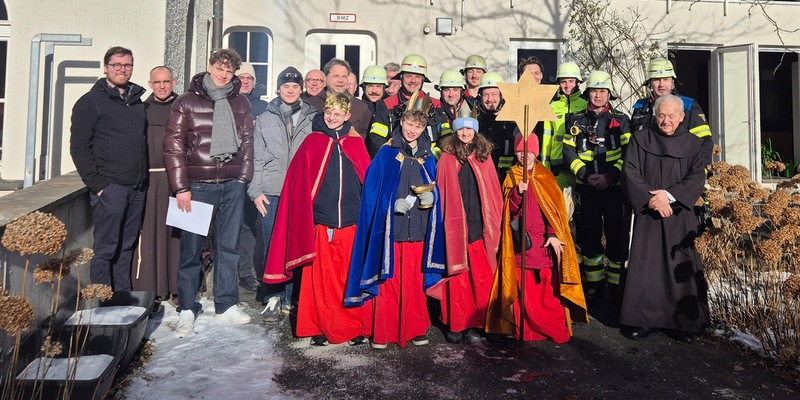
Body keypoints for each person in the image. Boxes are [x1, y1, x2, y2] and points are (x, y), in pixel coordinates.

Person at [263, 92, 370, 346]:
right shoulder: (313, 142)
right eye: (328, 113)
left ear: (347, 116)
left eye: (338, 114)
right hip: (323, 222)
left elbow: (367, 180)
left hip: (352, 222)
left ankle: (352, 326)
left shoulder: (355, 144)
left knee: (348, 276)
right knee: (320, 279)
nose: (332, 118)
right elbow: (298, 187)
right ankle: (319, 326)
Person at [164, 48, 254, 336]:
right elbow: (174, 146)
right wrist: (181, 188)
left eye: (228, 70)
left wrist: (242, 178)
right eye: (219, 67)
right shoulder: (186, 102)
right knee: (191, 249)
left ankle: (226, 304)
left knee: (228, 247)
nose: (223, 73)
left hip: (231, 186)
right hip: (196, 186)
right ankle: (187, 307)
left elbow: (248, 143)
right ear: (210, 66)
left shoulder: (240, 102)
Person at [345, 109, 445, 349]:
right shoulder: (387, 153)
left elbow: (435, 185)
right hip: (392, 228)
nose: (412, 130)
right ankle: (384, 331)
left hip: (418, 228)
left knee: (413, 281)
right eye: (409, 124)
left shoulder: (428, 155)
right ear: (401, 123)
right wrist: (391, 204)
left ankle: (415, 328)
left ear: (424, 130)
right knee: (389, 281)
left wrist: (432, 198)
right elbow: (372, 191)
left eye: (418, 127)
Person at [619, 94, 709, 344]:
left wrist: (668, 196)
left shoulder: (693, 144)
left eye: (671, 116)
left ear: (682, 117)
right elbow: (630, 171)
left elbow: (696, 178)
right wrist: (651, 200)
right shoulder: (640, 139)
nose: (666, 121)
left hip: (678, 213)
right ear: (654, 116)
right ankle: (641, 319)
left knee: (678, 262)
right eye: (661, 115)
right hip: (648, 212)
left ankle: (680, 322)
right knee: (646, 265)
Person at [486, 134, 588, 343]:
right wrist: (516, 193)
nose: (524, 155)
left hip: (542, 245)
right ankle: (525, 326)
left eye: (529, 151)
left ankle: (547, 326)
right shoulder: (512, 176)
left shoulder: (545, 176)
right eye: (520, 151)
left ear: (536, 152)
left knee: (545, 291)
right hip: (520, 245)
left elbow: (554, 213)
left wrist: (552, 235)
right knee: (524, 290)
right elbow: (508, 213)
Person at [70, 46, 147, 292]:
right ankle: (103, 302)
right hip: (111, 186)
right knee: (105, 247)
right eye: (117, 65)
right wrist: (99, 186)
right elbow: (80, 147)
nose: (123, 70)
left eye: (128, 65)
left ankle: (121, 298)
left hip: (136, 188)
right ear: (106, 68)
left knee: (126, 246)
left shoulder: (135, 102)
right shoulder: (90, 102)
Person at [250, 66, 316, 322]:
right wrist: (255, 191)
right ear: (278, 88)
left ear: (302, 89)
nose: (290, 90)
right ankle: (273, 297)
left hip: (301, 192)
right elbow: (256, 157)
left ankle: (292, 298)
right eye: (286, 86)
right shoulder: (266, 118)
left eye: (295, 86)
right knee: (272, 247)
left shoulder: (312, 117)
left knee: (297, 245)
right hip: (272, 191)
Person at [563, 71, 631, 307]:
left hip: (614, 189)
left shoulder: (622, 120)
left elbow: (628, 153)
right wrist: (585, 175)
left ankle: (616, 288)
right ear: (588, 93)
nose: (598, 95)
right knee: (588, 237)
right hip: (587, 188)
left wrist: (610, 177)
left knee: (616, 236)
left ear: (609, 93)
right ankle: (594, 287)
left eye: (602, 91)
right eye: (594, 91)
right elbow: (568, 152)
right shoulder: (574, 120)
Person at [431, 117, 502, 343]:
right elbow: (441, 192)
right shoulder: (447, 158)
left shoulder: (484, 156)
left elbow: (492, 191)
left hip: (480, 225)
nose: (464, 133)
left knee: (482, 277)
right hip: (455, 226)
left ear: (475, 132)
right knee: (458, 278)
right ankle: (457, 323)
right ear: (455, 131)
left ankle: (484, 321)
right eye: (460, 128)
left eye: (469, 129)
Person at [134, 66, 181, 302]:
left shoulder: (182, 108)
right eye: (157, 82)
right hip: (149, 180)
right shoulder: (140, 110)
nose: (162, 86)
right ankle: (151, 289)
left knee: (174, 236)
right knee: (150, 234)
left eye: (166, 82)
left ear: (174, 82)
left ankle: (175, 287)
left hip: (176, 181)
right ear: (150, 84)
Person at [631, 58, 713, 164]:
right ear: (650, 83)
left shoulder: (688, 106)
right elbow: (632, 145)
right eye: (656, 79)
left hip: (681, 171)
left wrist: (700, 170)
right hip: (647, 172)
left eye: (666, 79)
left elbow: (704, 142)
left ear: (672, 82)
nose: (661, 84)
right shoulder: (640, 108)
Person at [366, 54, 444, 158]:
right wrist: (391, 159)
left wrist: (432, 158)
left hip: (428, 164)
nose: (413, 80)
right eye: (409, 76)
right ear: (401, 78)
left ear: (423, 80)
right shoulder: (386, 105)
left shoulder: (435, 105)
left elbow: (445, 138)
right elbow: (376, 139)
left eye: (417, 77)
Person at [235, 62, 269, 293]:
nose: (245, 81)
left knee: (249, 224)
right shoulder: (227, 102)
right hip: (230, 170)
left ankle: (246, 271)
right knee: (226, 224)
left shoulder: (264, 107)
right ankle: (225, 268)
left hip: (255, 172)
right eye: (241, 77)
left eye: (249, 78)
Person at [541, 62, 587, 189]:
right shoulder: (552, 107)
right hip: (558, 165)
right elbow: (547, 138)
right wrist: (545, 166)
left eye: (571, 81)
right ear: (558, 84)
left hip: (581, 164)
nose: (567, 86)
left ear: (578, 82)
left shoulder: (586, 105)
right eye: (563, 82)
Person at [305, 59, 372, 137]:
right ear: (326, 78)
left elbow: (366, 138)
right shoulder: (309, 105)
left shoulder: (361, 108)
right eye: (336, 76)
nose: (340, 80)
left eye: (344, 77)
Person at [475, 72, 519, 180]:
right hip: (484, 177)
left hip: (509, 177)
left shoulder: (513, 120)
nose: (490, 99)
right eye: (486, 94)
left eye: (494, 94)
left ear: (501, 95)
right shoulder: (476, 122)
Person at [435, 70, 474, 142]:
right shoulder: (433, 111)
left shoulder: (472, 109)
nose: (451, 94)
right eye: (447, 90)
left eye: (455, 90)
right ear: (441, 91)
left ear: (461, 91)